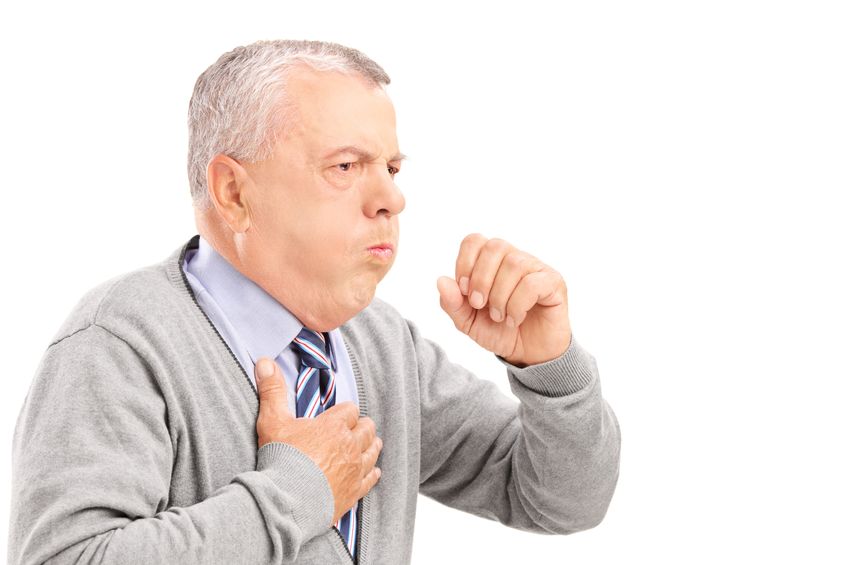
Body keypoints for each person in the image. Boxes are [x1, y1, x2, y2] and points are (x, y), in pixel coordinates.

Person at [7, 39, 621, 564]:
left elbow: (562, 501)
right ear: (233, 193)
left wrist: (552, 370)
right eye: (346, 165)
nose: (390, 198)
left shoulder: (379, 342)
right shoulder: (118, 344)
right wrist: (297, 493)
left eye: (392, 168)